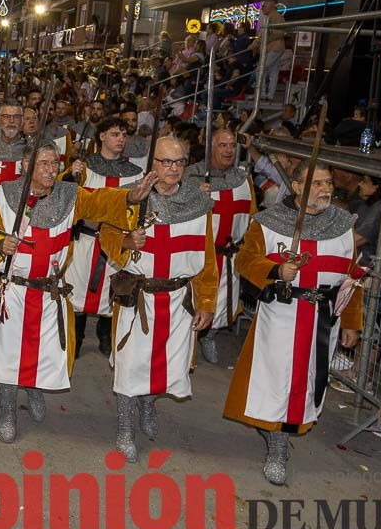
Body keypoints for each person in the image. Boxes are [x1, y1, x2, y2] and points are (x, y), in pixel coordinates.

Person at [0, 142, 149, 444]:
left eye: (54, 163)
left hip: (50, 293)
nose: (51, 170)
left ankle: (34, 389)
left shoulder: (69, 196)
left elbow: (100, 201)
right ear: (26, 167)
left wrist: (129, 196)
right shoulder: (3, 195)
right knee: (8, 355)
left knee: (44, 352)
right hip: (15, 292)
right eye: (43, 164)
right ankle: (7, 410)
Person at [225, 162, 363, 484]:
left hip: (324, 318)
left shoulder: (343, 225)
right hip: (282, 316)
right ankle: (277, 445)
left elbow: (352, 277)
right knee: (277, 382)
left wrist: (352, 322)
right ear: (297, 187)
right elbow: (244, 260)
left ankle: (281, 432)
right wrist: (275, 271)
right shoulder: (269, 221)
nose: (325, 189)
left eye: (328, 183)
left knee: (307, 381)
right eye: (317, 183)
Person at [109, 137, 217, 462]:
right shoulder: (132, 196)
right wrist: (126, 241)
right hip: (139, 298)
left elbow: (207, 258)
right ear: (152, 164)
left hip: (178, 300)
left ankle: (148, 404)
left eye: (179, 162)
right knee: (130, 365)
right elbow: (106, 235)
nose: (173, 168)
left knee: (165, 363)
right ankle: (125, 429)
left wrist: (207, 302)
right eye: (166, 162)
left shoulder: (198, 204)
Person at [64, 117, 145, 359]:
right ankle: (76, 338)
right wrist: (71, 176)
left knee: (113, 292)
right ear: (101, 136)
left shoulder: (135, 173)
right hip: (85, 241)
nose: (121, 139)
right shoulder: (84, 167)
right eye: (115, 134)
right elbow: (64, 197)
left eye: (124, 135)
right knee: (76, 291)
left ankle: (105, 335)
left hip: (116, 242)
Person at [187, 127, 257, 363]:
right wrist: (194, 196)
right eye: (222, 145)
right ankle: (186, 344)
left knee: (223, 302)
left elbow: (252, 216)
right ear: (211, 147)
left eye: (232, 146)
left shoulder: (244, 180)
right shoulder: (192, 177)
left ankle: (209, 336)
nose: (228, 150)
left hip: (229, 255)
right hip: (200, 253)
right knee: (193, 301)